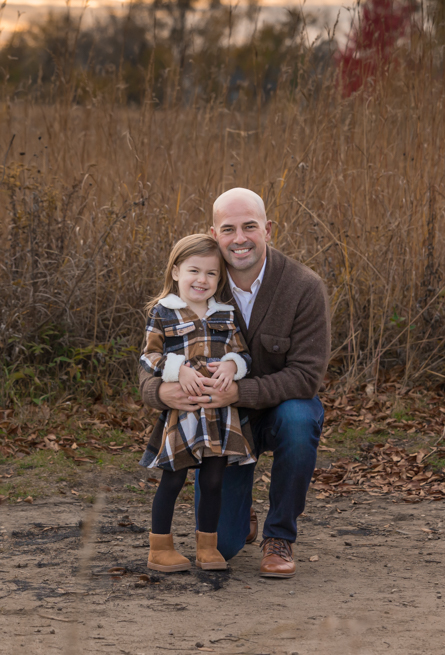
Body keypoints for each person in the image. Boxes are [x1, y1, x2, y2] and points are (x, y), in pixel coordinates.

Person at [139, 188, 329, 579]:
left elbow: (307, 376)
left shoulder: (303, 287)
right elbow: (147, 363)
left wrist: (239, 391)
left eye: (250, 227)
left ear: (268, 230)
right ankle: (241, 518)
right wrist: (161, 391)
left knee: (299, 418)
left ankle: (279, 536)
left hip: (275, 412)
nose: (239, 238)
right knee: (222, 545)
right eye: (229, 229)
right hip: (218, 424)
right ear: (214, 232)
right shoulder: (202, 279)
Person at [138, 234, 255, 573]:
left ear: (220, 279)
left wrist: (234, 365)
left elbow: (242, 351)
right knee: (173, 479)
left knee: (213, 480)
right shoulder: (164, 312)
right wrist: (177, 370)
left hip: (219, 413)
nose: (202, 280)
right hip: (184, 411)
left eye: (211, 274)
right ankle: (159, 547)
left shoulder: (226, 313)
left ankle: (208, 547)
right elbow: (150, 356)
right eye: (193, 271)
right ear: (176, 271)